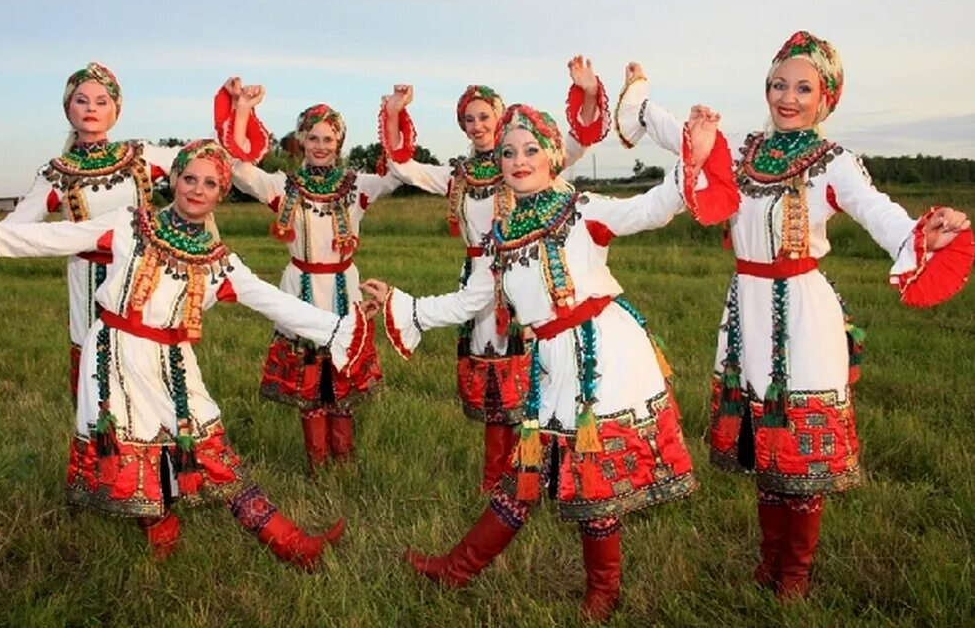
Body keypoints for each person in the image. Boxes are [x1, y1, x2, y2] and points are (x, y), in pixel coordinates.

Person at [614, 32, 973, 598]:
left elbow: (879, 214)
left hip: (804, 317)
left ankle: (796, 576)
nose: (788, 97)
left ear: (826, 98)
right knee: (766, 444)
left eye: (804, 88)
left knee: (798, 450)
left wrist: (921, 234)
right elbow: (672, 133)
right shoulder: (743, 151)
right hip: (747, 315)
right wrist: (637, 94)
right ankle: (769, 562)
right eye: (779, 84)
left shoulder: (834, 163)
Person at [360, 102, 722, 621]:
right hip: (551, 360)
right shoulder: (501, 238)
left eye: (530, 149)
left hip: (604, 359)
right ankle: (458, 569)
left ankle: (603, 593)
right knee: (525, 473)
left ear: (553, 154)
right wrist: (402, 301)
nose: (517, 159)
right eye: (508, 152)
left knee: (590, 480)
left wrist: (694, 157)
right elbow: (468, 303)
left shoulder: (583, 208)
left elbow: (651, 208)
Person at [0, 140, 376, 569]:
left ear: (220, 194)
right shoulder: (129, 224)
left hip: (173, 364)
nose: (196, 189)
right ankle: (162, 536)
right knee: (136, 455)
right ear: (174, 179)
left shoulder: (218, 262)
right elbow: (53, 237)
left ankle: (290, 544)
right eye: (190, 178)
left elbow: (275, 302)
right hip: (114, 357)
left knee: (211, 451)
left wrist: (340, 329)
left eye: (209, 183)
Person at [375, 57, 610, 492]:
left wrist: (590, 93)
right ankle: (495, 481)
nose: (477, 125)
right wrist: (393, 112)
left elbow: (577, 143)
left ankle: (540, 474)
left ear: (500, 117)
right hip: (479, 284)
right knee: (493, 381)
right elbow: (404, 165)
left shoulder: (522, 162)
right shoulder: (458, 175)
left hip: (525, 279)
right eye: (469, 119)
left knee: (536, 375)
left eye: (484, 116)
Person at [0, 62, 186, 401]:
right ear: (67, 107)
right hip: (88, 278)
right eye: (82, 100)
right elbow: (17, 227)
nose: (91, 108)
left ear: (116, 109)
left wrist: (238, 113)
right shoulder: (58, 173)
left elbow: (197, 160)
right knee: (99, 375)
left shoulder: (140, 156)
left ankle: (161, 450)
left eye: (102, 101)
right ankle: (102, 446)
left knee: (151, 364)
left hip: (142, 273)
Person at [212, 82, 401, 470]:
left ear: (340, 141)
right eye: (312, 137)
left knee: (341, 374)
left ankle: (344, 462)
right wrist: (243, 108)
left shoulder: (357, 187)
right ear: (300, 139)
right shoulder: (283, 186)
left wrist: (395, 112)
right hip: (298, 289)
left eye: (328, 138)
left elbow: (397, 169)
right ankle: (317, 464)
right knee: (309, 378)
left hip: (343, 288)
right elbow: (241, 169)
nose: (320, 145)